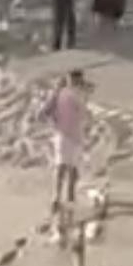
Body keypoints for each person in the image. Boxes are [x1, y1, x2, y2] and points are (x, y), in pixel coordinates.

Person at [40, 69, 90, 233]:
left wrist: (53, 122)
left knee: (64, 167)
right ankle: (66, 198)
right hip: (71, 135)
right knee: (68, 167)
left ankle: (60, 197)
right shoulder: (71, 94)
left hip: (66, 134)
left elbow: (43, 113)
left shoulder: (62, 94)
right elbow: (84, 115)